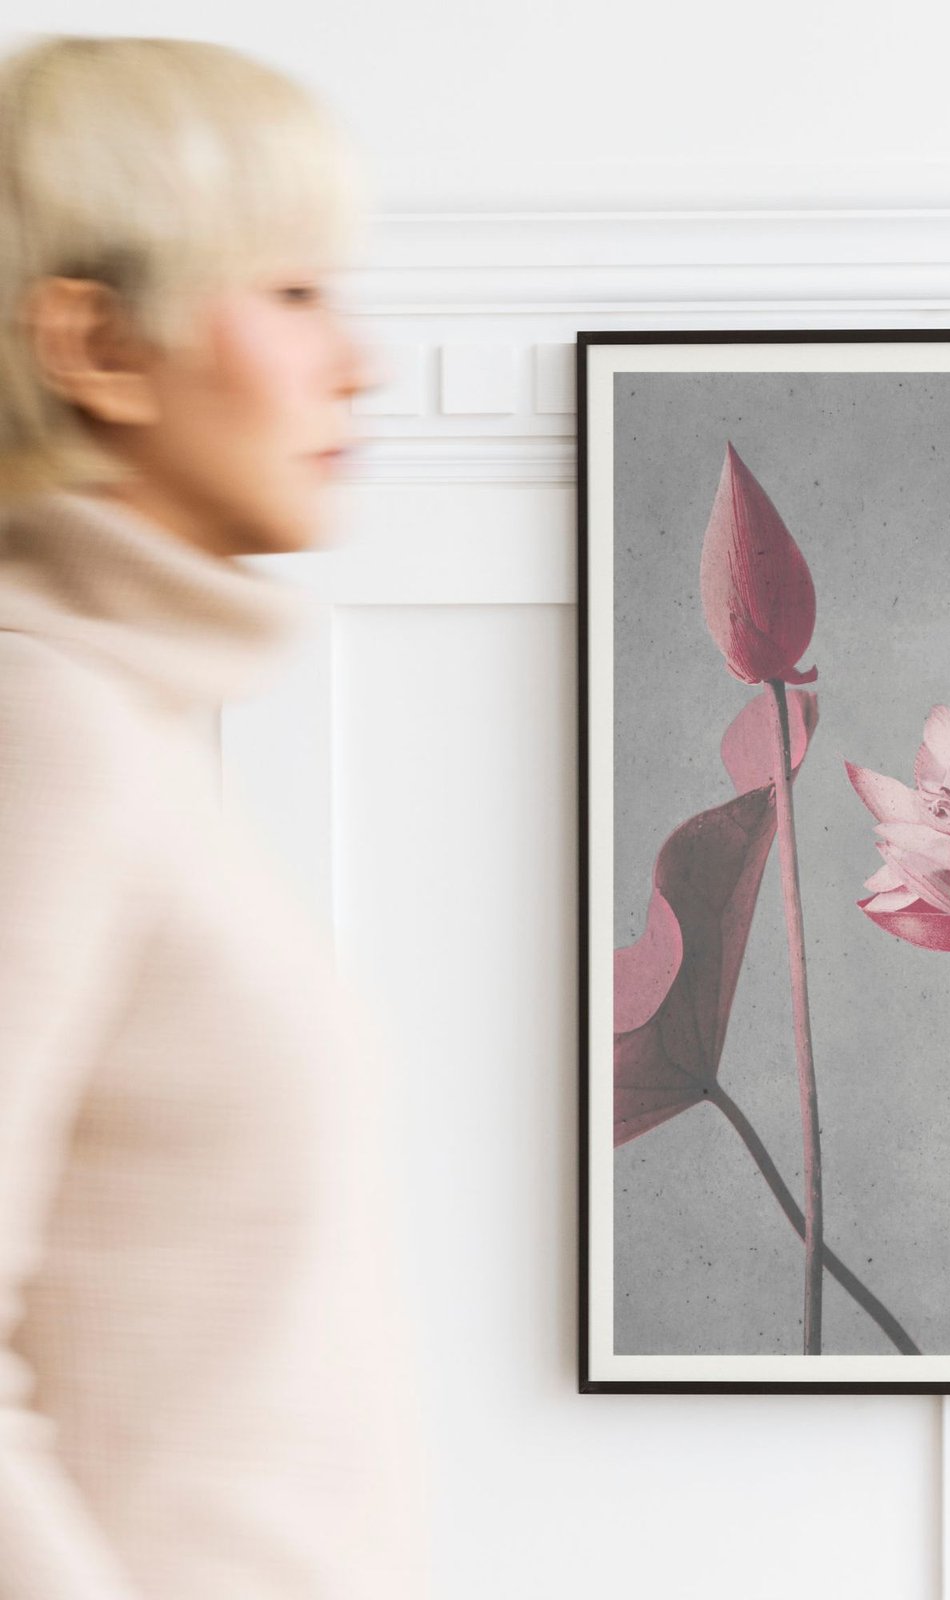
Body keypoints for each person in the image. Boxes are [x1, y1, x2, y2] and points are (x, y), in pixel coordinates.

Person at [0, 35, 429, 1597]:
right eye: (295, 292)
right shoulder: (43, 724)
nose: (361, 360)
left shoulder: (122, 729)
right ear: (98, 347)